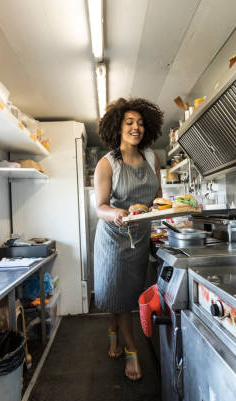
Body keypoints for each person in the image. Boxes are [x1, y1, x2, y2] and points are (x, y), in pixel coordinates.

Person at [93, 97, 164, 381]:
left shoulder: (151, 158)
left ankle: (114, 334)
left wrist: (170, 208)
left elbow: (157, 196)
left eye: (141, 123)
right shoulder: (107, 164)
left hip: (141, 236)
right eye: (129, 122)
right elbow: (100, 207)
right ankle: (132, 351)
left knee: (125, 295)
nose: (136, 128)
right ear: (118, 126)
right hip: (114, 239)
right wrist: (116, 214)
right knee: (119, 295)